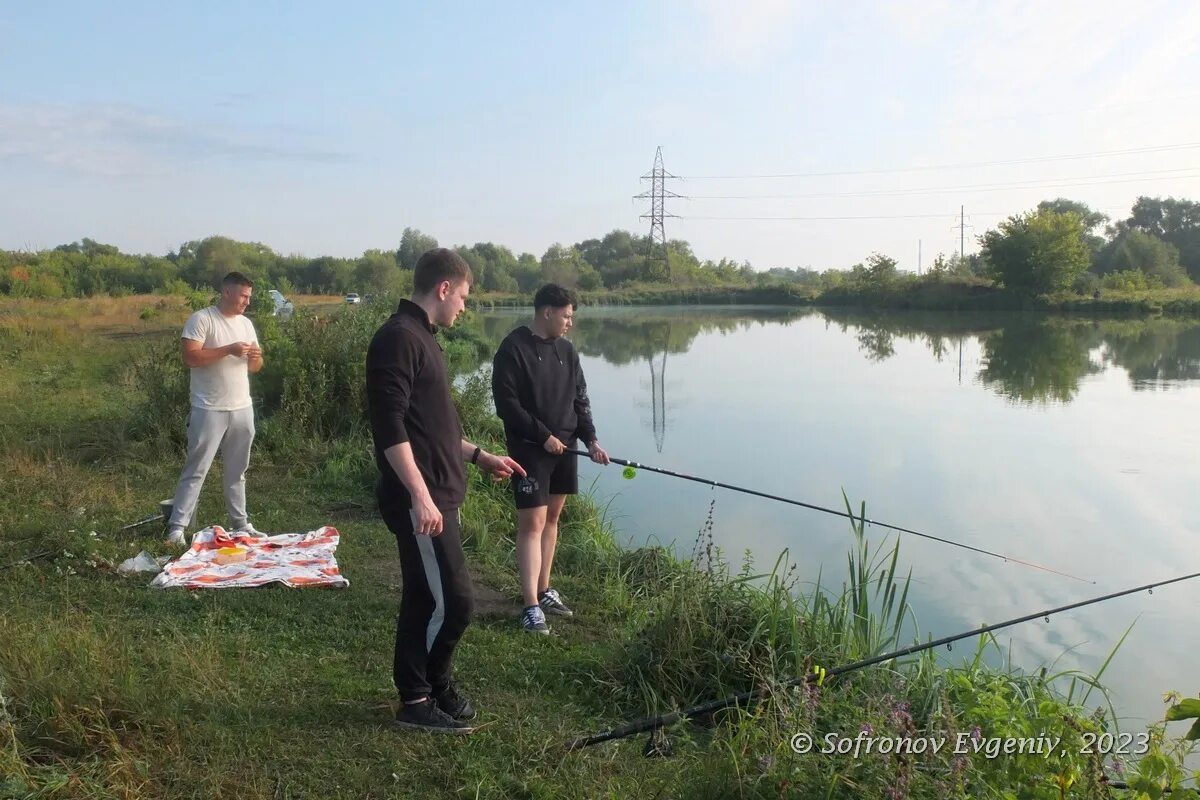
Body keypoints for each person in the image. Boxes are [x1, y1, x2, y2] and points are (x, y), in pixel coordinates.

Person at [366, 248, 525, 734]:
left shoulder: (423, 337)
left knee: (429, 596)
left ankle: (432, 686)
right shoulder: (398, 339)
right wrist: (419, 494)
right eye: (463, 297)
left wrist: (480, 455)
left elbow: (431, 428)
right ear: (443, 289)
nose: (463, 307)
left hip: (437, 493)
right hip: (423, 500)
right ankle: (417, 697)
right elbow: (389, 426)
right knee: (448, 601)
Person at [491, 283, 609, 635]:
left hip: (566, 447)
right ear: (547, 312)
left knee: (553, 518)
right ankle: (529, 605)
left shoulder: (567, 351)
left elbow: (580, 398)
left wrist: (590, 439)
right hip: (531, 448)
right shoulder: (513, 348)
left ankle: (544, 590)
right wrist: (543, 436)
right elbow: (506, 405)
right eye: (567, 315)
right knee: (532, 524)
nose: (570, 322)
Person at [166, 272, 264, 546]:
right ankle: (177, 528)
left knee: (237, 470)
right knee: (197, 468)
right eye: (243, 295)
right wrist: (228, 349)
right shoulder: (202, 319)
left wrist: (255, 358)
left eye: (249, 297)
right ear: (227, 292)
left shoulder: (246, 324)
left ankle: (241, 524)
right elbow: (190, 358)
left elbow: (255, 367)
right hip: (208, 408)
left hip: (242, 407)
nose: (247, 302)